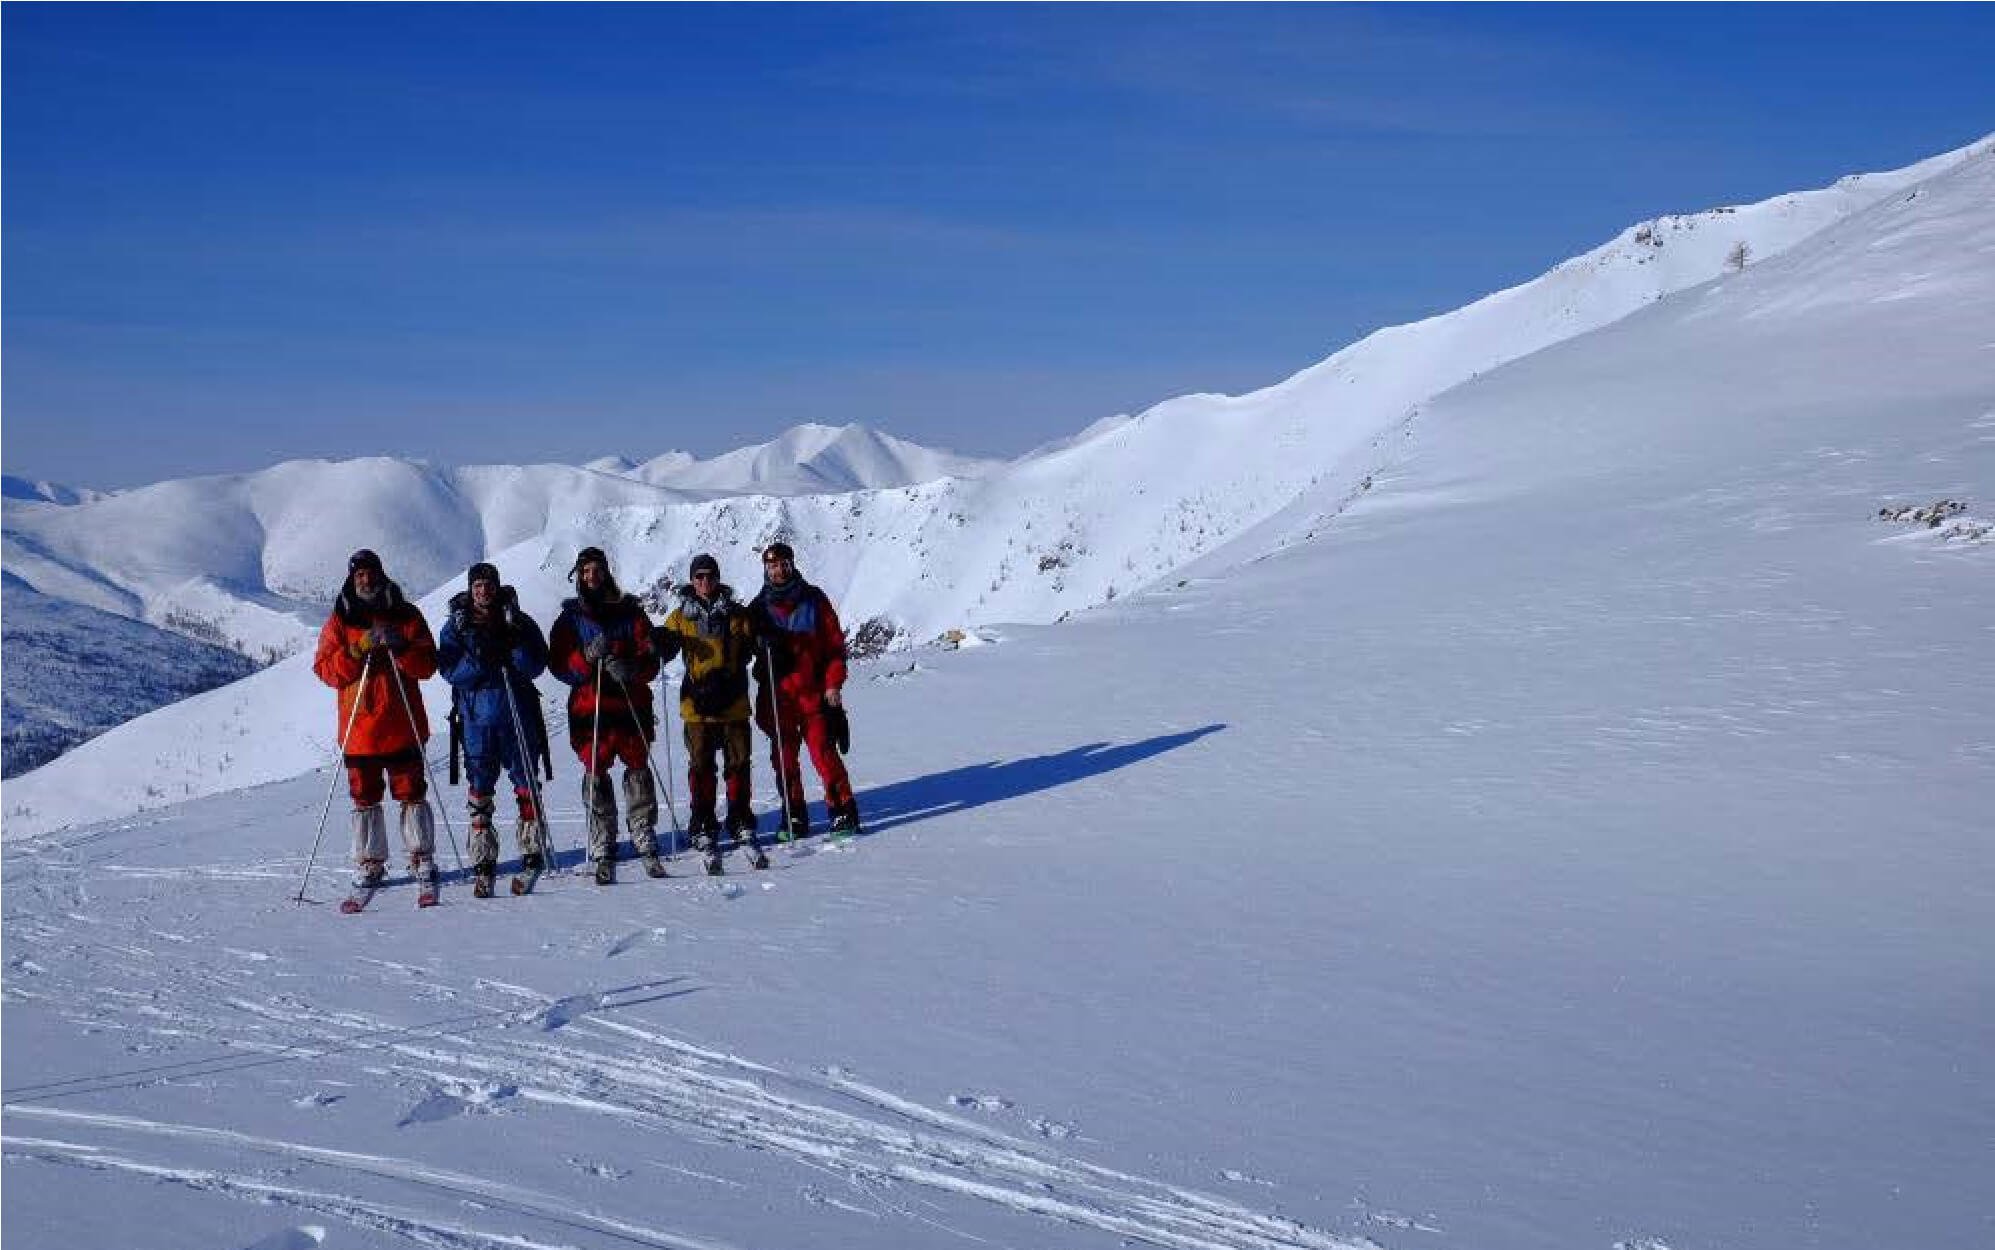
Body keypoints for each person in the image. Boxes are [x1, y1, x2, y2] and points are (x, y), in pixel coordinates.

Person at [310, 548, 441, 894]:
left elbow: (427, 664)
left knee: (412, 792)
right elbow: (325, 669)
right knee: (364, 798)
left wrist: (401, 648)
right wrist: (356, 650)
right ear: (352, 579)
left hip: (402, 723)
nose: (366, 580)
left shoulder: (405, 615)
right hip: (360, 728)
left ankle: (421, 856)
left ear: (382, 575)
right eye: (360, 575)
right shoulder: (340, 620)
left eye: (371, 573)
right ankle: (370, 862)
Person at [547, 547, 664, 884]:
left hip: (629, 704)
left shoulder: (630, 612)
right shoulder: (570, 619)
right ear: (579, 576)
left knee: (638, 768)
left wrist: (633, 667)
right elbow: (559, 665)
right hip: (591, 707)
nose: (592, 576)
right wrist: (585, 659)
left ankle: (642, 829)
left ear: (606, 573)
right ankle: (603, 837)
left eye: (597, 570)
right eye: (586, 571)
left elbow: (649, 654)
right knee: (596, 772)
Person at [437, 562, 551, 897]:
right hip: (476, 718)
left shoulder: (516, 619)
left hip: (517, 712)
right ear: (471, 589)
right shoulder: (457, 626)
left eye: (488, 585)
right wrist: (478, 660)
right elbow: (446, 668)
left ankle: (532, 848)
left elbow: (536, 663)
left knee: (526, 783)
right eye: (477, 586)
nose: (483, 591)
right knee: (480, 789)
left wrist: (513, 645)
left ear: (497, 587)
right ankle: (483, 857)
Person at [655, 553, 768, 873]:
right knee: (701, 767)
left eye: (709, 575)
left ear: (718, 578)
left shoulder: (737, 615)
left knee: (738, 764)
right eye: (699, 576)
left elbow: (754, 644)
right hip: (698, 706)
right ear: (692, 580)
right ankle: (702, 821)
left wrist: (761, 640)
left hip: (732, 703)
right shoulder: (680, 617)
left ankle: (739, 818)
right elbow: (666, 645)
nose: (705, 582)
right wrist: (660, 643)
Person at [747, 542, 858, 839]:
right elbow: (744, 646)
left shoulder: (813, 600)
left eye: (784, 564)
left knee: (823, 752)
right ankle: (794, 814)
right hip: (777, 697)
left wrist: (833, 683)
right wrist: (758, 644)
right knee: (783, 758)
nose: (779, 570)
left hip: (813, 693)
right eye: (772, 566)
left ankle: (842, 809)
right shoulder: (758, 608)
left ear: (792, 565)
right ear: (766, 569)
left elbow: (835, 646)